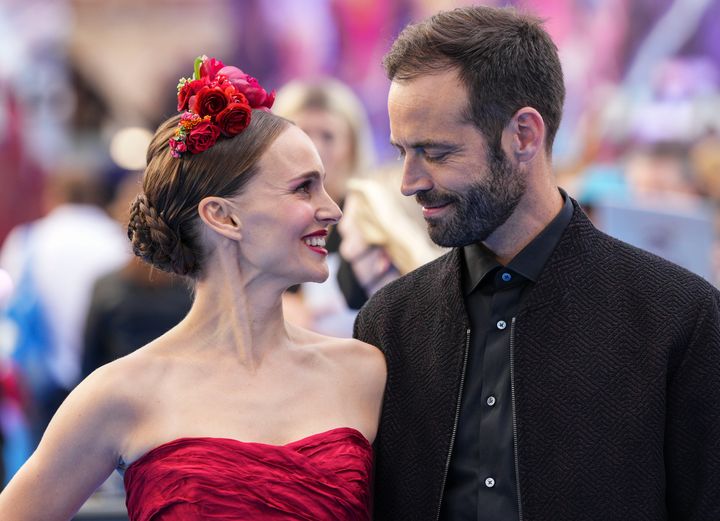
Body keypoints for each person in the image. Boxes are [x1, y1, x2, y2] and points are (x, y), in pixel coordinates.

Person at [353, 6, 720, 521]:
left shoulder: (679, 316)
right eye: (401, 152)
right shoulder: (388, 323)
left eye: (434, 152)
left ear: (524, 135)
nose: (409, 181)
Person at [0, 55, 385, 520]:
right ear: (223, 216)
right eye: (304, 188)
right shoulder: (120, 392)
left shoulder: (364, 372)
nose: (332, 210)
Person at [273, 78, 376, 336]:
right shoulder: (261, 218)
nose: (315, 148)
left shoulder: (374, 222)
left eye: (328, 136)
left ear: (352, 148)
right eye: (304, 133)